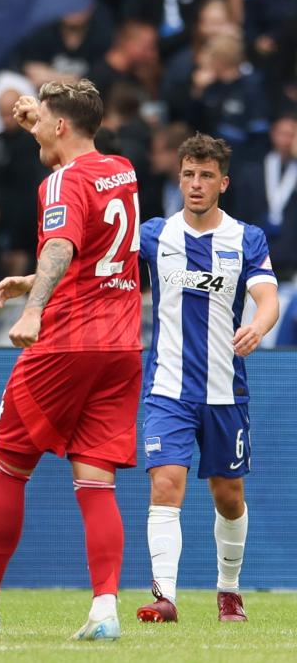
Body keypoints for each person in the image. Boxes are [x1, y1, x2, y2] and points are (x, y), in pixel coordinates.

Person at [0, 79, 142, 641]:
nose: (35, 127)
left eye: (42, 121)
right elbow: (87, 244)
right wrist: (34, 281)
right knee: (95, 483)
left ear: (61, 126)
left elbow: (62, 244)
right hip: (120, 345)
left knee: (8, 465)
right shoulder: (123, 169)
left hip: (66, 343)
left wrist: (34, 308)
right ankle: (105, 612)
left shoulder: (62, 182)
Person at [135, 134, 279, 624]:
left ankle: (229, 590)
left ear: (223, 182)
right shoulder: (154, 235)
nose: (196, 184)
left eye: (205, 176)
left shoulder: (246, 238)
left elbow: (267, 298)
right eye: (188, 174)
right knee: (166, 484)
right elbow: (102, 273)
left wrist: (257, 327)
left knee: (228, 496)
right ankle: (164, 597)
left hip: (224, 391)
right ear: (179, 178)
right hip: (167, 389)